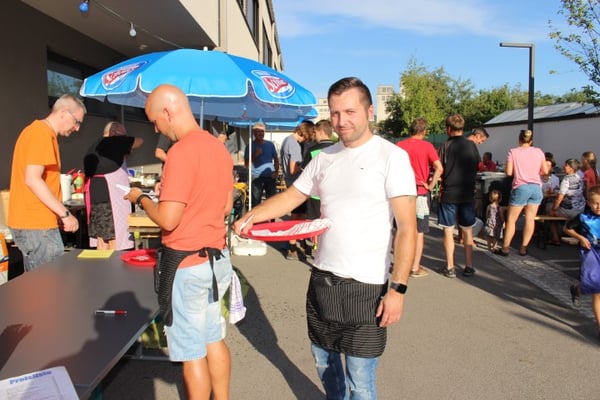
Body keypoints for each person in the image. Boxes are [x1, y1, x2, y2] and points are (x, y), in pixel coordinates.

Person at [234, 77, 417, 399]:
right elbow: (292, 196)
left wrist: (398, 289)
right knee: (323, 362)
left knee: (360, 379)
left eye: (350, 112)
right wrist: (251, 216)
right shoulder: (324, 157)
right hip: (322, 278)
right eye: (334, 113)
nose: (341, 121)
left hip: (366, 285)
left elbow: (407, 228)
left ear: (369, 112)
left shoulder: (391, 157)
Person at [125, 84, 234, 399]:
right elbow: (225, 206)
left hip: (186, 266)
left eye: (155, 121)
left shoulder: (180, 152)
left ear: (168, 111)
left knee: (191, 352)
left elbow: (168, 220)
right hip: (217, 260)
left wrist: (142, 198)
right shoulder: (218, 148)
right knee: (213, 338)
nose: (155, 128)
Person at [8, 94, 85, 271]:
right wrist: (64, 213)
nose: (77, 128)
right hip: (37, 223)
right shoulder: (41, 133)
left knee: (37, 282)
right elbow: (32, 179)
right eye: (76, 122)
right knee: (50, 281)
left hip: (32, 222)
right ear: (63, 112)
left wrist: (56, 214)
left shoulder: (38, 132)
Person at [83, 121, 143, 250]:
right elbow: (139, 141)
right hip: (110, 199)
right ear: (114, 132)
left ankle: (101, 264)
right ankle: (113, 263)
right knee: (114, 240)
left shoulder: (94, 145)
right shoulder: (114, 141)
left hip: (95, 198)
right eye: (124, 135)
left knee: (101, 239)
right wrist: (125, 141)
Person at [397, 117, 443, 277]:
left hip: (402, 192)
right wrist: (430, 185)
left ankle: (400, 265)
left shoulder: (400, 145)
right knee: (419, 231)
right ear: (424, 131)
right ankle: (415, 267)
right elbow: (439, 168)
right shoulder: (427, 146)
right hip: (420, 192)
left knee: (402, 229)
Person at [437, 114, 481, 277]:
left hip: (449, 193)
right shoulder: (471, 145)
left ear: (448, 129)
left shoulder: (445, 146)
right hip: (467, 193)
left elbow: (439, 168)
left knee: (448, 230)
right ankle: (469, 265)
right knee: (467, 231)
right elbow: (478, 165)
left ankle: (450, 266)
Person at [496, 129, 549, 257]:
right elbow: (545, 171)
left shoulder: (513, 152)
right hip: (536, 187)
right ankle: (523, 248)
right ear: (531, 141)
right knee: (530, 219)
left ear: (519, 139)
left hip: (521, 186)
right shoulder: (539, 151)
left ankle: (505, 248)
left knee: (512, 219)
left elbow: (509, 172)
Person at [564, 185, 600, 335]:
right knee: (597, 290)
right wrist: (581, 238)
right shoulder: (583, 217)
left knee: (591, 286)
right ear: (589, 203)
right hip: (591, 252)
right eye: (595, 203)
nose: (598, 207)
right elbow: (567, 228)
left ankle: (577, 289)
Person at [301, 119, 335, 257]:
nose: (314, 136)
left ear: (320, 132)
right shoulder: (339, 148)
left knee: (315, 222)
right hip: (333, 194)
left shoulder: (313, 150)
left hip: (316, 193)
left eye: (315, 132)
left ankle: (316, 246)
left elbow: (305, 171)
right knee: (330, 221)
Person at [279, 121, 309, 260]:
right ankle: (292, 247)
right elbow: (293, 169)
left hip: (290, 182)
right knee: (298, 216)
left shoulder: (287, 140)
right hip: (297, 184)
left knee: (297, 215)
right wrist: (305, 167)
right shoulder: (295, 145)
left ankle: (296, 243)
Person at [549, 158, 586, 245]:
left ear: (571, 168)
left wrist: (553, 210)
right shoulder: (580, 177)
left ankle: (555, 238)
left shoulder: (566, 179)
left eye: (566, 165)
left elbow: (560, 197)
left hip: (570, 210)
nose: (563, 167)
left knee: (548, 209)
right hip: (580, 208)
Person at [244, 122, 279, 208]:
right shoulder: (250, 146)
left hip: (270, 177)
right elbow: (246, 164)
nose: (261, 133)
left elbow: (276, 158)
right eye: (258, 131)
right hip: (256, 178)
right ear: (254, 133)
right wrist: (255, 155)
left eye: (262, 131)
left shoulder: (270, 144)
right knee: (256, 202)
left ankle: (271, 217)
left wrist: (276, 171)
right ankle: (256, 217)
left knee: (272, 202)